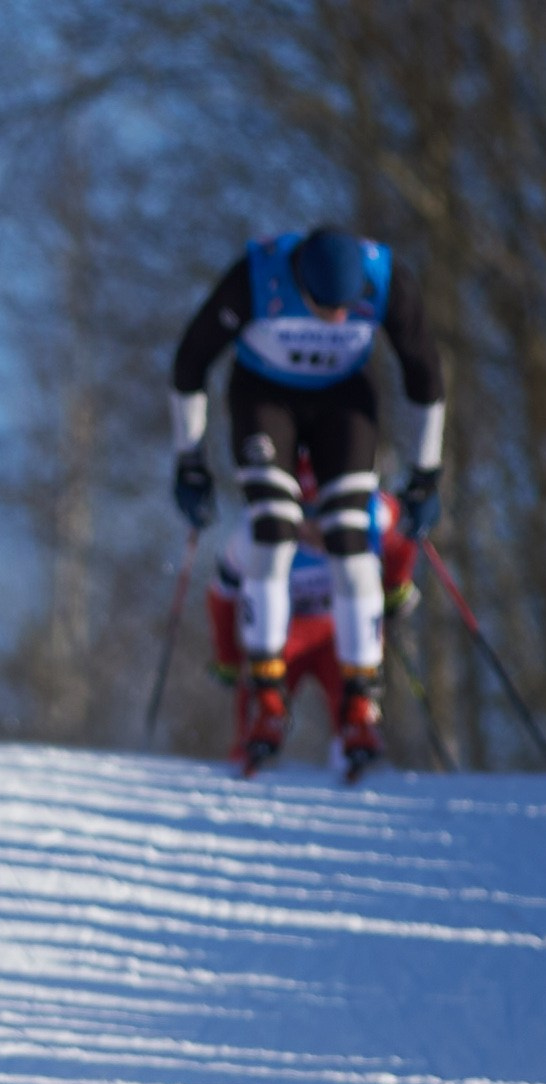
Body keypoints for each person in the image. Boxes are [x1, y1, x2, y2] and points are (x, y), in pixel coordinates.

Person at [169, 227, 447, 773]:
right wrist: (190, 459)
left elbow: (425, 375)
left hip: (344, 398)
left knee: (351, 537)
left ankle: (361, 702)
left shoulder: (387, 279)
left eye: (349, 308)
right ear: (299, 283)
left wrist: (426, 473)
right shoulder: (256, 278)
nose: (339, 319)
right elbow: (190, 362)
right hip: (265, 396)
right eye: (325, 307)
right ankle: (267, 694)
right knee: (272, 530)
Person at [207, 461, 419, 773]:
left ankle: (357, 753)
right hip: (285, 634)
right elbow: (222, 596)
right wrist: (227, 656)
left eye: (322, 513)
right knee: (262, 696)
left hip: (339, 632)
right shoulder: (255, 533)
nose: (313, 528)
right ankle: (251, 757)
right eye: (303, 515)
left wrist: (396, 585)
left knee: (354, 696)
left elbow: (404, 533)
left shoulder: (372, 512)